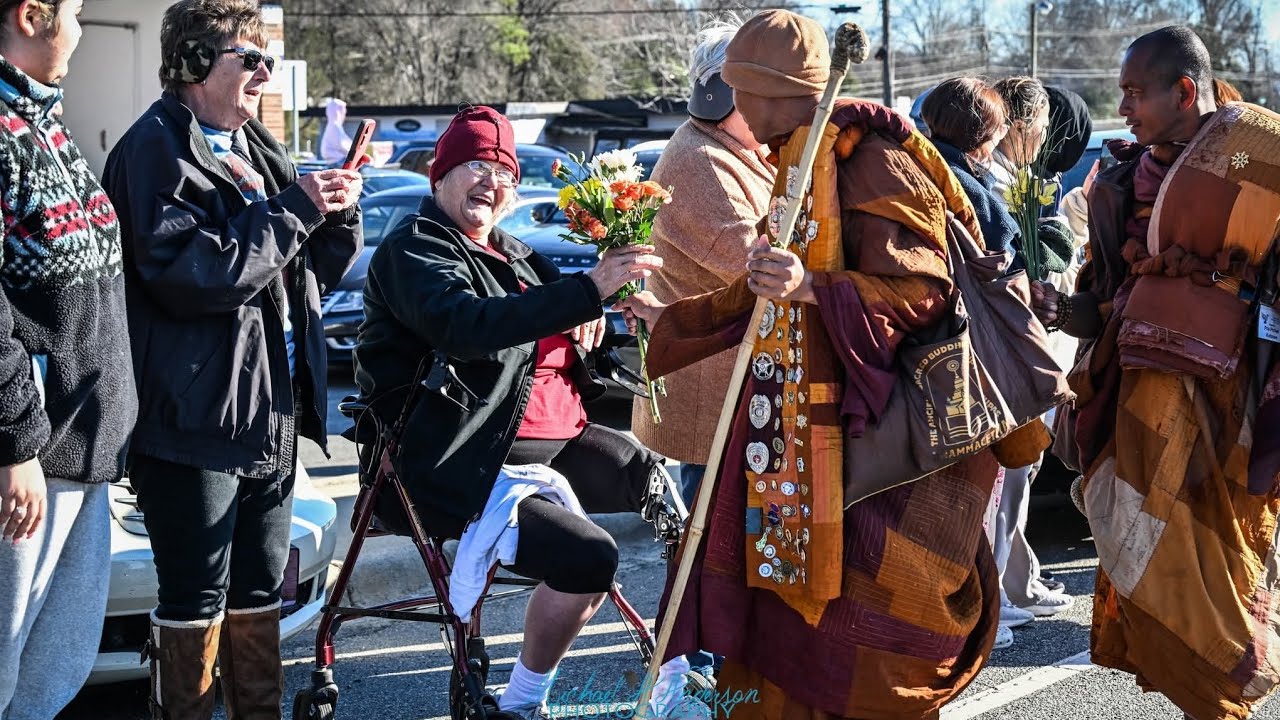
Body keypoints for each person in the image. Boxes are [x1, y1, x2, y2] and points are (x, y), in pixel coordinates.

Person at [617, 11, 1036, 717]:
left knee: (863, 648)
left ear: (779, 90)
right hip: (796, 445)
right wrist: (676, 322)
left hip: (880, 446)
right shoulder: (792, 158)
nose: (733, 106)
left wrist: (813, 287)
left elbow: (927, 291)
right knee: (779, 632)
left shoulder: (870, 159)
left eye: (742, 90)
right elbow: (761, 291)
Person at [354, 105, 670, 720]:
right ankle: (521, 704)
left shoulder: (519, 253)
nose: (490, 182)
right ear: (437, 177)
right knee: (590, 556)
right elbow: (466, 327)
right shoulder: (412, 250)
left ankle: (684, 663)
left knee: (681, 500)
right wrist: (583, 294)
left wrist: (610, 323)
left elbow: (575, 322)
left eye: (503, 171)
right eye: (473, 165)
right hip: (460, 455)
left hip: (555, 441)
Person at [101, 1, 364, 717]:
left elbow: (305, 273)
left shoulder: (256, 146)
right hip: (191, 421)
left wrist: (336, 213)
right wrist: (294, 212)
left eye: (267, 59)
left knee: (257, 594)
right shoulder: (154, 148)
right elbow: (194, 276)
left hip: (266, 414)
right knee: (193, 600)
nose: (263, 74)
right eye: (249, 58)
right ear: (192, 64)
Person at [1033, 25, 1280, 720]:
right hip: (1137, 407)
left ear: (1185, 91)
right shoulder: (1116, 181)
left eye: (1136, 92)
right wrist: (1061, 309)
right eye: (1121, 92)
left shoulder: (1260, 159)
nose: (1124, 106)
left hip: (1228, 415)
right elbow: (1105, 305)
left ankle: (1223, 701)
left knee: (1221, 572)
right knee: (1151, 567)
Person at [628, 15, 774, 686]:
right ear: (720, 91)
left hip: (738, 380)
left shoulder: (741, 150)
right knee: (717, 543)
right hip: (714, 386)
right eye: (760, 87)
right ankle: (698, 668)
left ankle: (711, 658)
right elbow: (753, 266)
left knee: (736, 539)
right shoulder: (700, 158)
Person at [0, 1, 137, 716]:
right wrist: (16, 441)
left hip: (81, 449)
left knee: (49, 675)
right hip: (28, 464)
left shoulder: (43, 124)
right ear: (31, 15)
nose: (81, 30)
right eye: (76, 12)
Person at [320, 97, 351, 165]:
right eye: (342, 111)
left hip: (337, 161)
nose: (344, 115)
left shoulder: (335, 126)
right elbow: (341, 145)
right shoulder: (334, 126)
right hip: (337, 161)